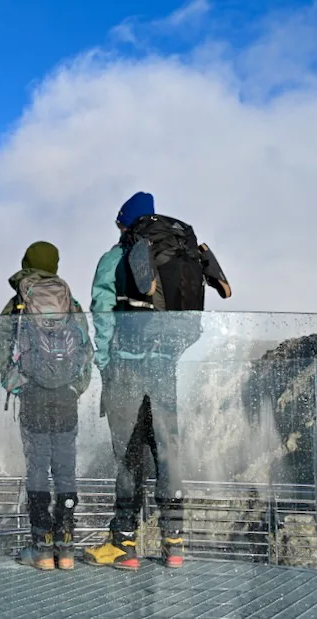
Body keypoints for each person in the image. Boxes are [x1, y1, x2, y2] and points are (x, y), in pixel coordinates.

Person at [82, 191, 231, 571]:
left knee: (129, 455)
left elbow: (102, 314)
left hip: (127, 369)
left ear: (124, 223)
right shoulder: (178, 254)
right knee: (167, 449)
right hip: (165, 368)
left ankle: (124, 544)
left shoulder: (115, 259)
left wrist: (105, 365)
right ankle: (174, 543)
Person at [0, 240, 93, 571]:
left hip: (34, 395)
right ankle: (66, 546)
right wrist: (75, 386)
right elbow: (86, 349)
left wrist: (17, 385)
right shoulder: (70, 302)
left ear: (27, 261)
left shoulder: (19, 301)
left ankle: (41, 546)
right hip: (65, 397)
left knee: (37, 467)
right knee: (65, 467)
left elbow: (1, 347)